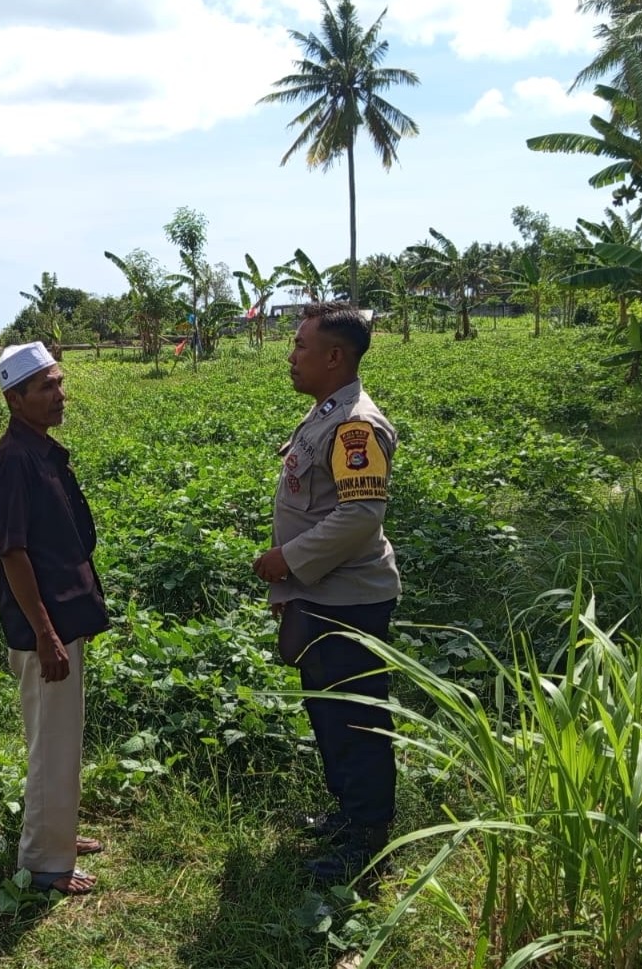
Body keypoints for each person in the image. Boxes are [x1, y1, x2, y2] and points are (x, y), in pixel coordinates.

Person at [252, 302, 400, 887]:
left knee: (355, 721)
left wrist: (288, 559)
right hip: (321, 596)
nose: (292, 356)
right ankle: (347, 815)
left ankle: (367, 840)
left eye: (301, 346)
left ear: (334, 356)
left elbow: (361, 515)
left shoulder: (355, 425)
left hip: (349, 600)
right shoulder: (326, 415)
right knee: (328, 715)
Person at [0, 342, 110, 896]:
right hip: (46, 625)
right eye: (46, 388)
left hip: (63, 613)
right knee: (51, 741)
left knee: (60, 736)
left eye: (59, 383)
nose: (60, 395)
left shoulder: (39, 450)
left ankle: (57, 832)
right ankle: (43, 864)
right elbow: (12, 552)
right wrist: (46, 633)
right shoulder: (13, 460)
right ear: (15, 399)